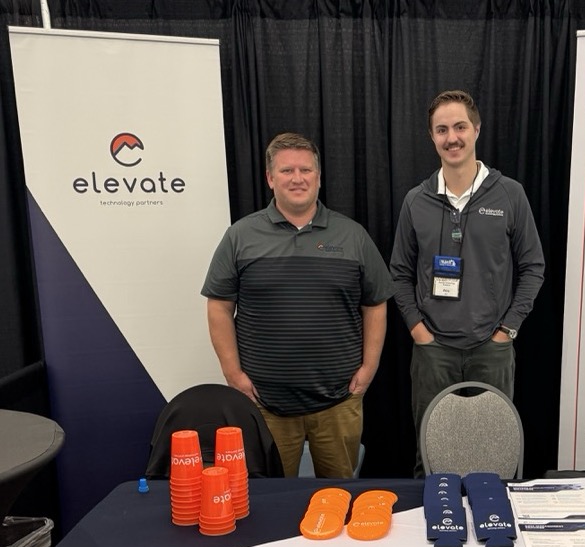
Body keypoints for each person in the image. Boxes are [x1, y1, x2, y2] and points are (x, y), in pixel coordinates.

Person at [202, 132, 393, 478]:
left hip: (339, 401)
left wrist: (369, 367)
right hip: (265, 404)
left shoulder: (352, 236)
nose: (297, 178)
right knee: (272, 502)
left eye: (305, 170)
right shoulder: (240, 237)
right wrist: (233, 374)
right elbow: (219, 307)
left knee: (340, 500)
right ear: (270, 178)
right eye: (286, 170)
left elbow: (375, 304)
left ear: (318, 178)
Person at [390, 90, 545, 471]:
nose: (452, 137)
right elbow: (398, 272)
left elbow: (533, 266)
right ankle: (432, 524)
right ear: (432, 137)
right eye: (442, 129)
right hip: (433, 352)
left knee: (493, 449)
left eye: (460, 127)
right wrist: (417, 330)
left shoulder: (509, 194)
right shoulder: (416, 201)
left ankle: (491, 525)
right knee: (431, 451)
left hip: (491, 350)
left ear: (476, 129)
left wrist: (507, 330)